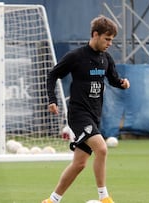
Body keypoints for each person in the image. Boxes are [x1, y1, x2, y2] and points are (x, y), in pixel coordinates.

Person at [43, 15, 130, 203]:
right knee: (102, 149)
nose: (109, 43)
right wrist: (52, 99)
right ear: (95, 34)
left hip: (94, 115)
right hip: (78, 115)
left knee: (79, 164)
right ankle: (104, 197)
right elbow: (53, 75)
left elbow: (113, 79)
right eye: (107, 39)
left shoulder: (106, 59)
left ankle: (52, 200)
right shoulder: (76, 56)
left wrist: (122, 83)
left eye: (112, 40)